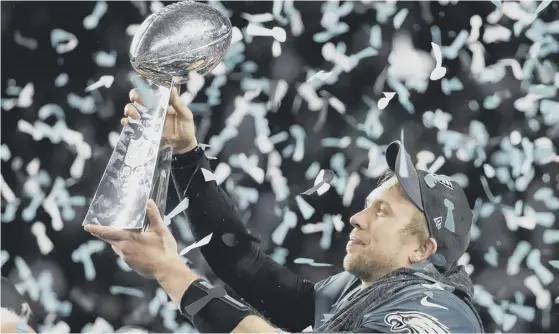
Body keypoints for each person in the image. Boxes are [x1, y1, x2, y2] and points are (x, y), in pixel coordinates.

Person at [85, 88, 484, 333]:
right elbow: (244, 265)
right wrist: (187, 155)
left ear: (422, 251)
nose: (356, 217)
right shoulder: (363, 290)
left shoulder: (440, 315)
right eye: (367, 206)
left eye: (381, 212)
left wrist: (170, 271)